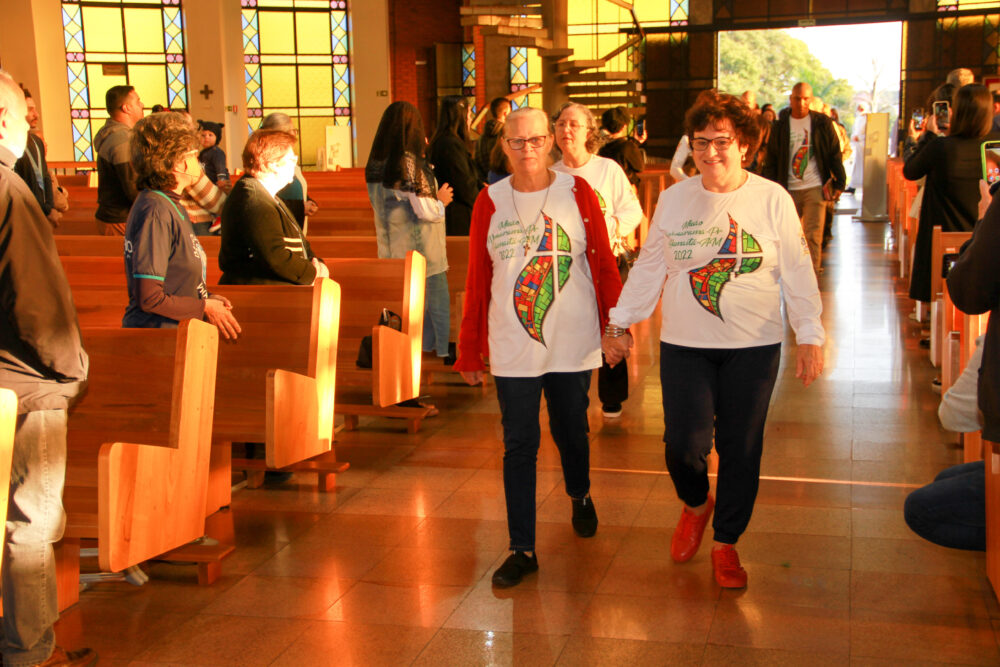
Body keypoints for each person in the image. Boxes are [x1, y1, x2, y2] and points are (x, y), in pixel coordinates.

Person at [603, 90, 825, 589]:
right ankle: (695, 503)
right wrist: (620, 323)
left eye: (721, 141)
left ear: (744, 144)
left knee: (740, 448)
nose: (710, 152)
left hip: (754, 345)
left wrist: (810, 333)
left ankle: (726, 542)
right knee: (683, 445)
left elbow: (797, 270)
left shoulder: (771, 198)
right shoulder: (676, 198)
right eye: (700, 142)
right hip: (686, 343)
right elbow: (650, 266)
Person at [455, 107, 622, 588]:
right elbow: (478, 278)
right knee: (519, 443)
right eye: (516, 141)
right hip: (513, 342)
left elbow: (603, 265)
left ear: (550, 141)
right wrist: (470, 349)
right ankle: (522, 549)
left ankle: (580, 492)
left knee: (571, 429)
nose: (526, 149)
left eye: (535, 140)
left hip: (571, 339)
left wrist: (616, 327)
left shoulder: (577, 192)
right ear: (504, 146)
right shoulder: (489, 201)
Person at [0, 68, 97, 667]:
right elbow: (39, 304)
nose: (28, 127)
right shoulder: (9, 191)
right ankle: (29, 650)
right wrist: (69, 372)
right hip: (23, 384)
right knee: (31, 521)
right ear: (3, 121)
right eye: (24, 117)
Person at [551, 102, 642, 419]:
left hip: (606, 261)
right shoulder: (552, 175)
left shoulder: (607, 169)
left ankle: (612, 396)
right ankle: (570, 395)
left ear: (589, 132)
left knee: (612, 323)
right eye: (561, 124)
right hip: (569, 265)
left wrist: (607, 229)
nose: (566, 130)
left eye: (574, 124)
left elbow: (633, 211)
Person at [122, 112, 241, 340]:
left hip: (178, 333)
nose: (199, 163)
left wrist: (206, 298)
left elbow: (175, 279)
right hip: (158, 338)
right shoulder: (156, 211)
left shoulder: (170, 203)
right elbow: (149, 297)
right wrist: (203, 307)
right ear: (178, 163)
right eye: (194, 156)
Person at [366, 101, 454, 361]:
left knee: (413, 306)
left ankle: (418, 353)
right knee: (435, 304)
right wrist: (442, 201)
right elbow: (426, 210)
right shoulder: (408, 162)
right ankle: (440, 354)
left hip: (392, 249)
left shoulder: (377, 163)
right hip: (422, 251)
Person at [903, 84, 997, 305]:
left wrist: (926, 135)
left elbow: (911, 171)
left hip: (945, 235)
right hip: (984, 235)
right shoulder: (994, 145)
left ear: (958, 112)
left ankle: (932, 314)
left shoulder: (941, 146)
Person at [219, 129, 327, 285]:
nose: (295, 165)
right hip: (259, 293)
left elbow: (300, 241)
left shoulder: (267, 195)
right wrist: (313, 273)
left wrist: (318, 263)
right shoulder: (254, 200)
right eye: (291, 160)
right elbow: (275, 257)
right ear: (272, 164)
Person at [762, 81, 846, 274]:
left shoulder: (822, 123)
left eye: (806, 99)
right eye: (797, 99)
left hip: (815, 187)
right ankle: (789, 275)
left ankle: (812, 275)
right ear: (791, 99)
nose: (801, 103)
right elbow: (772, 159)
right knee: (787, 235)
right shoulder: (780, 126)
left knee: (813, 235)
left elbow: (834, 154)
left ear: (811, 100)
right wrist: (769, 188)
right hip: (788, 188)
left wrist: (840, 183)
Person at [94, 85, 144, 235]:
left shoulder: (115, 135)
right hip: (121, 219)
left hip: (115, 218)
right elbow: (133, 186)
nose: (142, 105)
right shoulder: (123, 140)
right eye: (138, 101)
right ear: (126, 108)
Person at [429, 95, 482, 236]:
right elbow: (464, 184)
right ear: (460, 116)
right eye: (469, 115)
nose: (470, 120)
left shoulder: (444, 140)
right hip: (457, 217)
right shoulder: (450, 144)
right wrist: (482, 203)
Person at [260, 113, 318, 234]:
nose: (295, 135)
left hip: (296, 228)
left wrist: (308, 201)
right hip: (281, 232)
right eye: (293, 131)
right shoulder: (268, 164)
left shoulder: (288, 159)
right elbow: (268, 203)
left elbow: (295, 187)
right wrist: (301, 207)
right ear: (281, 134)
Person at [12, 87, 57, 227]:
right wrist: (45, 209)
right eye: (30, 109)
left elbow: (45, 176)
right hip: (23, 215)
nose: (36, 114)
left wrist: (50, 207)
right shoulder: (11, 144)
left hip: (42, 213)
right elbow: (19, 184)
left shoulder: (37, 141)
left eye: (35, 109)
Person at [598, 106, 645, 189]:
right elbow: (639, 167)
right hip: (625, 188)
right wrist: (634, 144)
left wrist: (635, 142)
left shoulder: (600, 146)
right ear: (624, 126)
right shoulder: (628, 146)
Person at [475, 97, 511, 181]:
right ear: (505, 113)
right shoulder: (506, 135)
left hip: (486, 182)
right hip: (503, 180)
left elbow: (476, 164)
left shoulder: (481, 137)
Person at [197, 120, 229, 189]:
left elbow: (220, 168)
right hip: (207, 184)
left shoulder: (217, 152)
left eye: (210, 135)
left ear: (217, 138)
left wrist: (221, 180)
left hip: (216, 185)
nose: (206, 137)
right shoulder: (202, 153)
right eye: (203, 135)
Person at [848, 101, 869, 192]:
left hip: (864, 145)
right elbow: (855, 131)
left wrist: (859, 137)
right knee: (857, 165)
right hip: (858, 146)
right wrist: (854, 136)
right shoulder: (858, 118)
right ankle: (853, 185)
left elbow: (868, 133)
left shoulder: (868, 118)